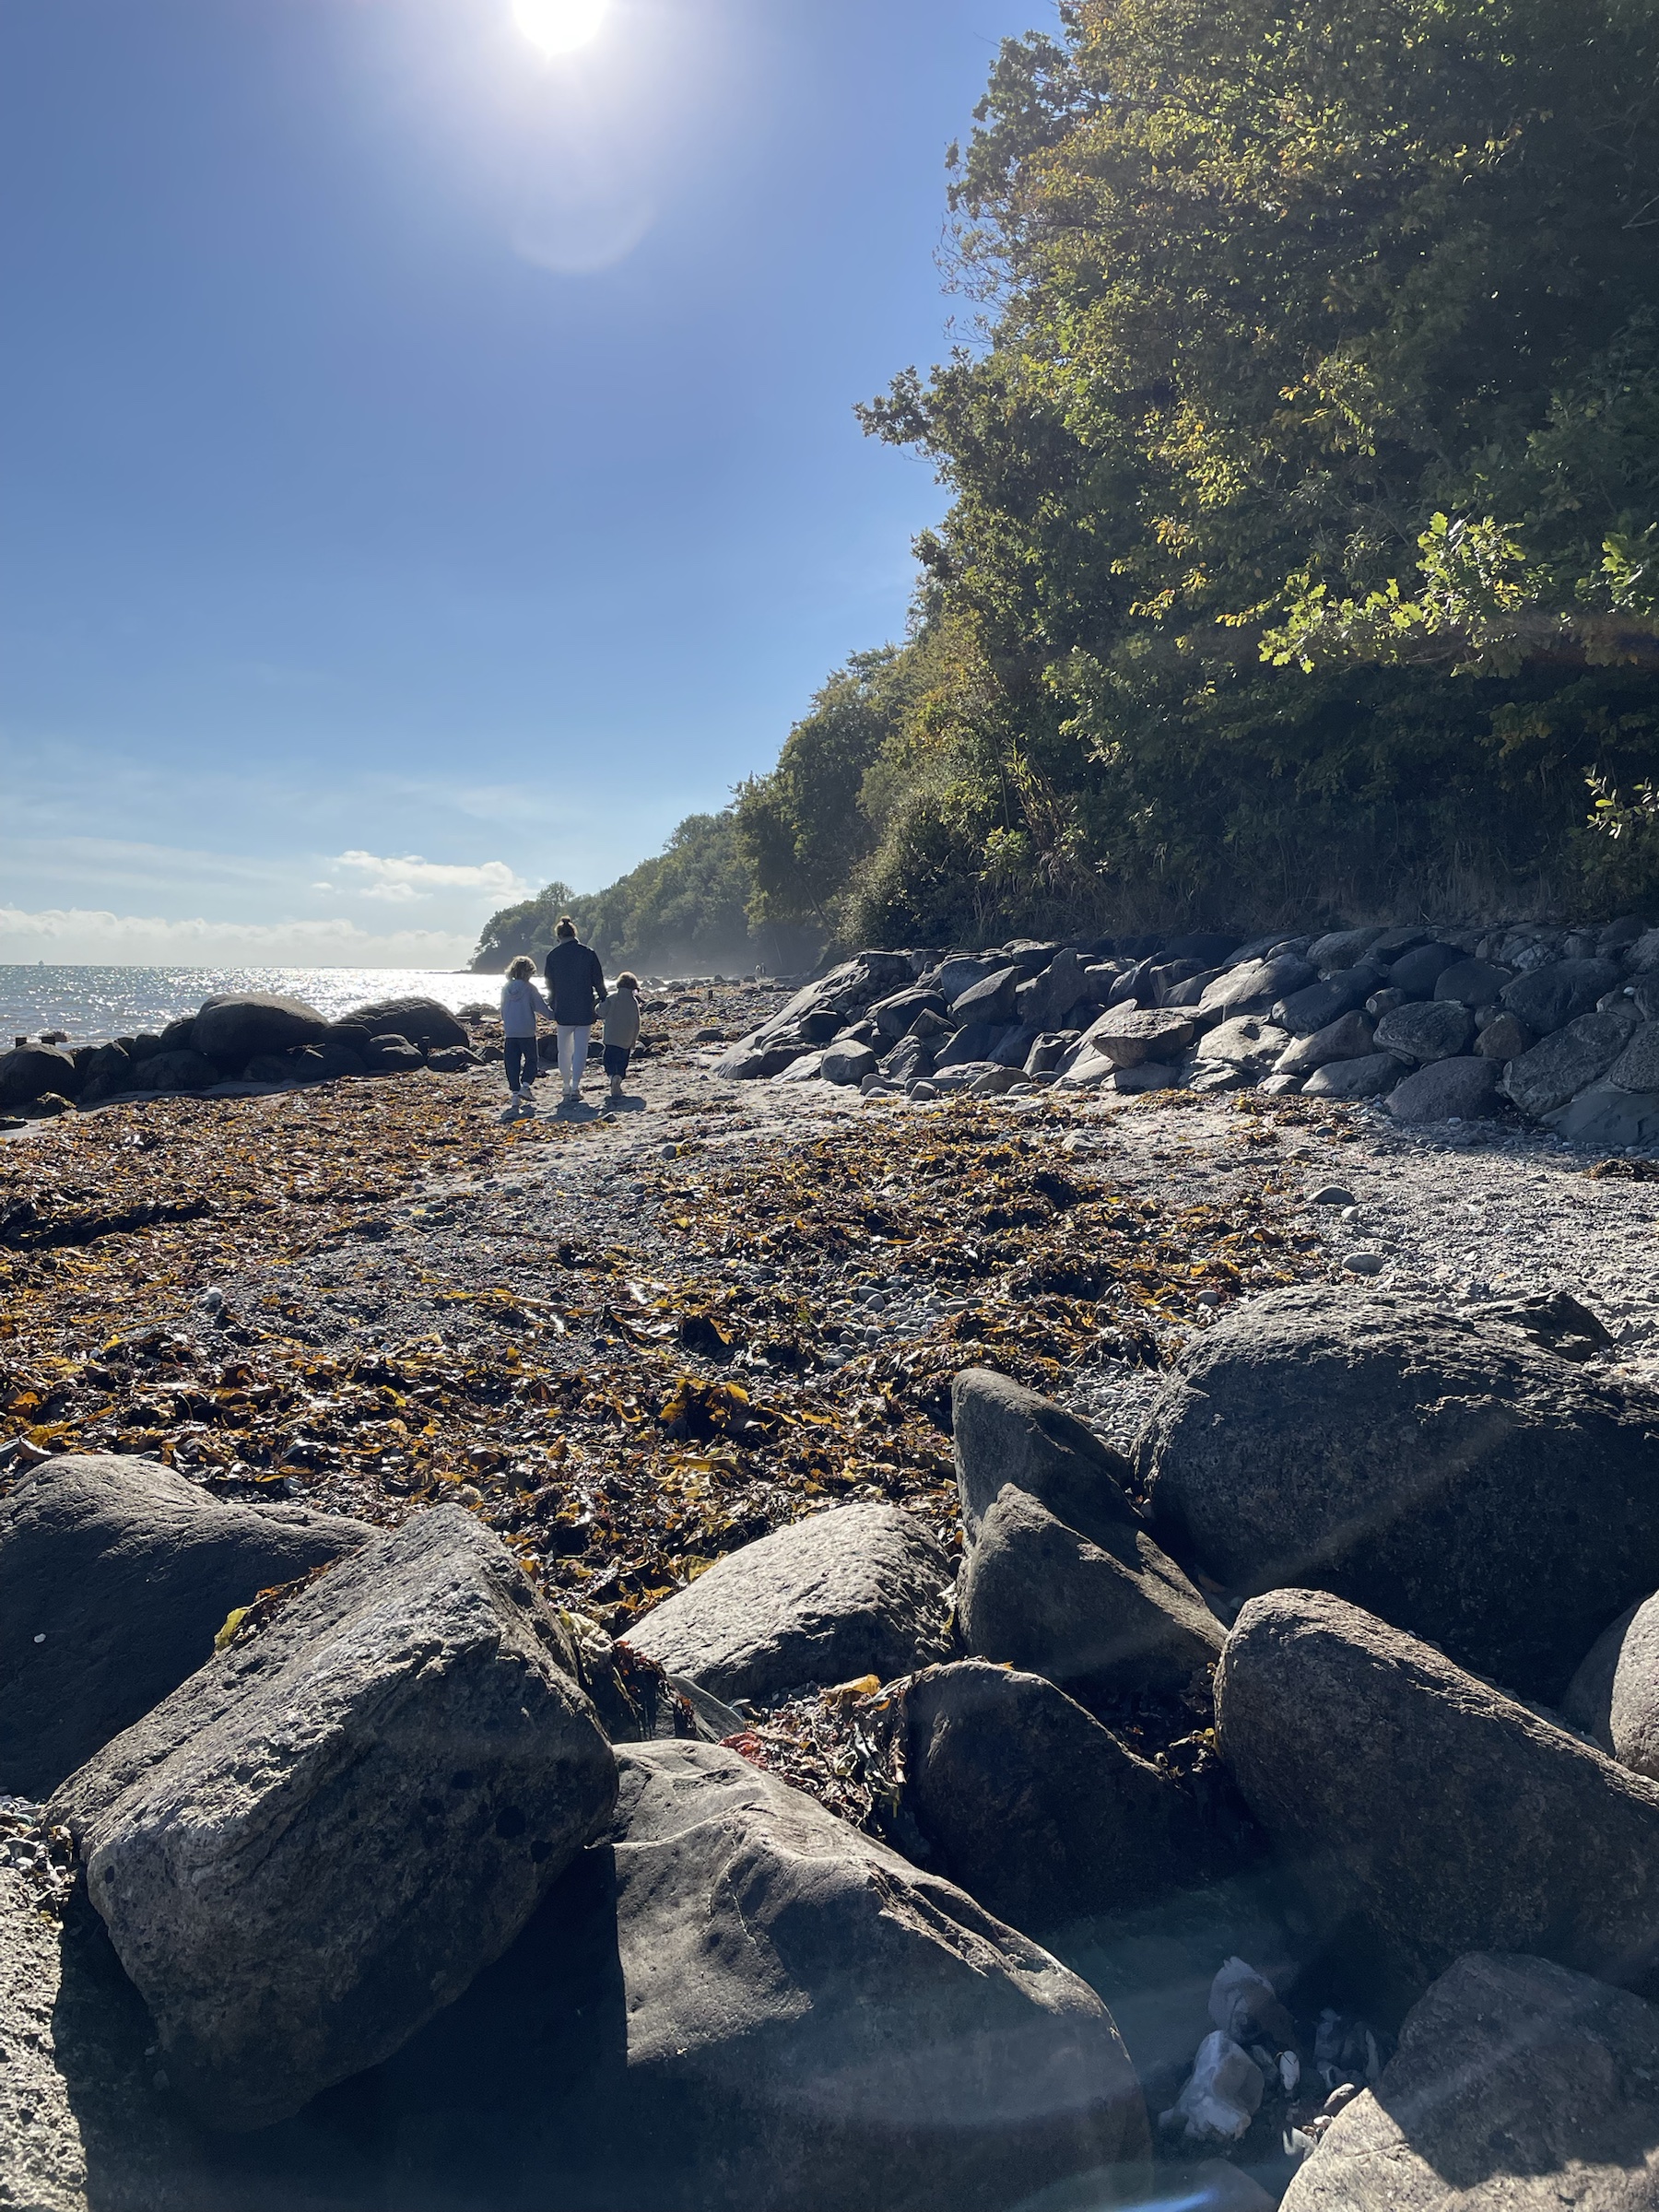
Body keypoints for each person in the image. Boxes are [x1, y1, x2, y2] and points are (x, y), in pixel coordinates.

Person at [544, 915, 606, 1107]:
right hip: (584, 1007)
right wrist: (605, 1000)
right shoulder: (588, 953)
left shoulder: (553, 956)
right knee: (581, 1049)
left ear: (558, 936)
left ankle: (565, 1085)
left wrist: (552, 1002)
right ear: (574, 934)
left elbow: (550, 984)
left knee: (564, 1050)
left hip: (563, 1008)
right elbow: (598, 981)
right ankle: (575, 1086)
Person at [499, 955, 550, 1117]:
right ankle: (526, 1086)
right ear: (528, 972)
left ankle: (515, 1094)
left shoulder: (506, 988)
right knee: (532, 1060)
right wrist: (555, 1015)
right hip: (526, 1031)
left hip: (510, 1031)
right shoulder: (529, 988)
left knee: (511, 1063)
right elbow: (542, 1008)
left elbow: (502, 1009)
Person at [601, 971, 642, 1104]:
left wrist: (598, 1004)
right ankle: (618, 1077)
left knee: (609, 1060)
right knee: (622, 1062)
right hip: (626, 1039)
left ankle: (612, 1076)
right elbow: (637, 1023)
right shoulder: (633, 1002)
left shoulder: (612, 998)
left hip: (611, 1038)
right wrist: (633, 1041)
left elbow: (601, 1012)